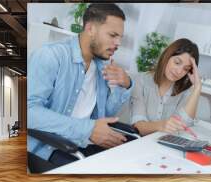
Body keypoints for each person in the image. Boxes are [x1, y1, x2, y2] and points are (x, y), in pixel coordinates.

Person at [28, 4, 133, 168]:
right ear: (90, 28)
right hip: (51, 146)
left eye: (120, 37)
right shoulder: (50, 56)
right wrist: (87, 129)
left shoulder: (100, 67)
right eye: (113, 35)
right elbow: (29, 112)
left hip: (85, 142)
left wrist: (124, 85)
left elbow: (105, 115)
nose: (118, 43)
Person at [130, 38, 201, 136]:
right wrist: (161, 125)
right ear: (167, 57)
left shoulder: (185, 91)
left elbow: (184, 125)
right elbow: (138, 126)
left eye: (186, 69)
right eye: (177, 62)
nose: (179, 71)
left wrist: (197, 88)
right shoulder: (140, 81)